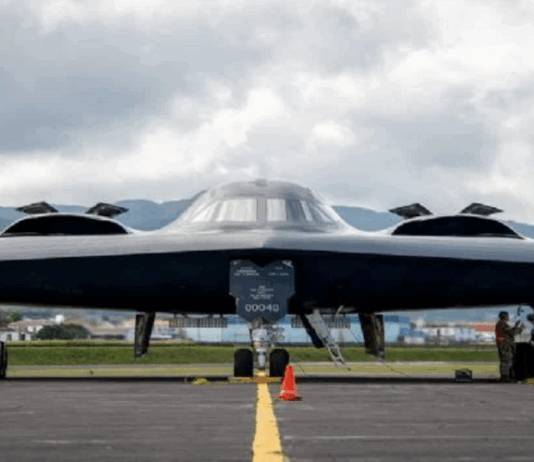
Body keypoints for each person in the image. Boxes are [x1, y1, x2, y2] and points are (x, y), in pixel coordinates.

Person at [495, 311, 523, 382]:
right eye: (507, 316)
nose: (508, 317)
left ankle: (505, 376)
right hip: (505, 344)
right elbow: (512, 333)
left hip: (503, 344)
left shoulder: (500, 324)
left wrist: (515, 326)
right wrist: (520, 328)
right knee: (507, 361)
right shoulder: (502, 324)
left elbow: (509, 332)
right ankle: (505, 377)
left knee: (505, 360)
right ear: (504, 316)